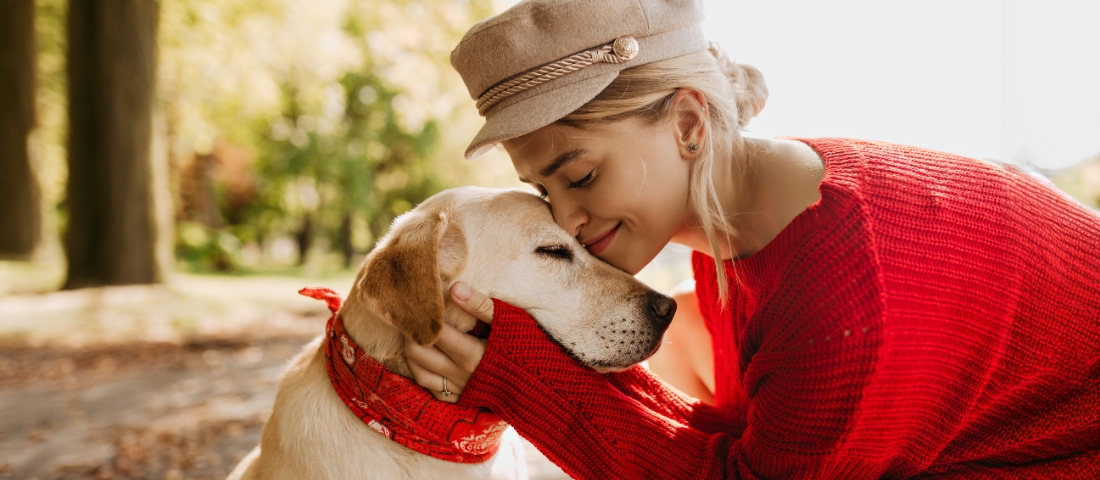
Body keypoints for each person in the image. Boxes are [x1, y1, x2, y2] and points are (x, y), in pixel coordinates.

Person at [404, 0, 1100, 478]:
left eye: (580, 175)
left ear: (686, 124)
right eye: (544, 194)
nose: (565, 218)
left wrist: (528, 382)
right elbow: (751, 447)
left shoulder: (842, 278)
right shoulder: (750, 216)